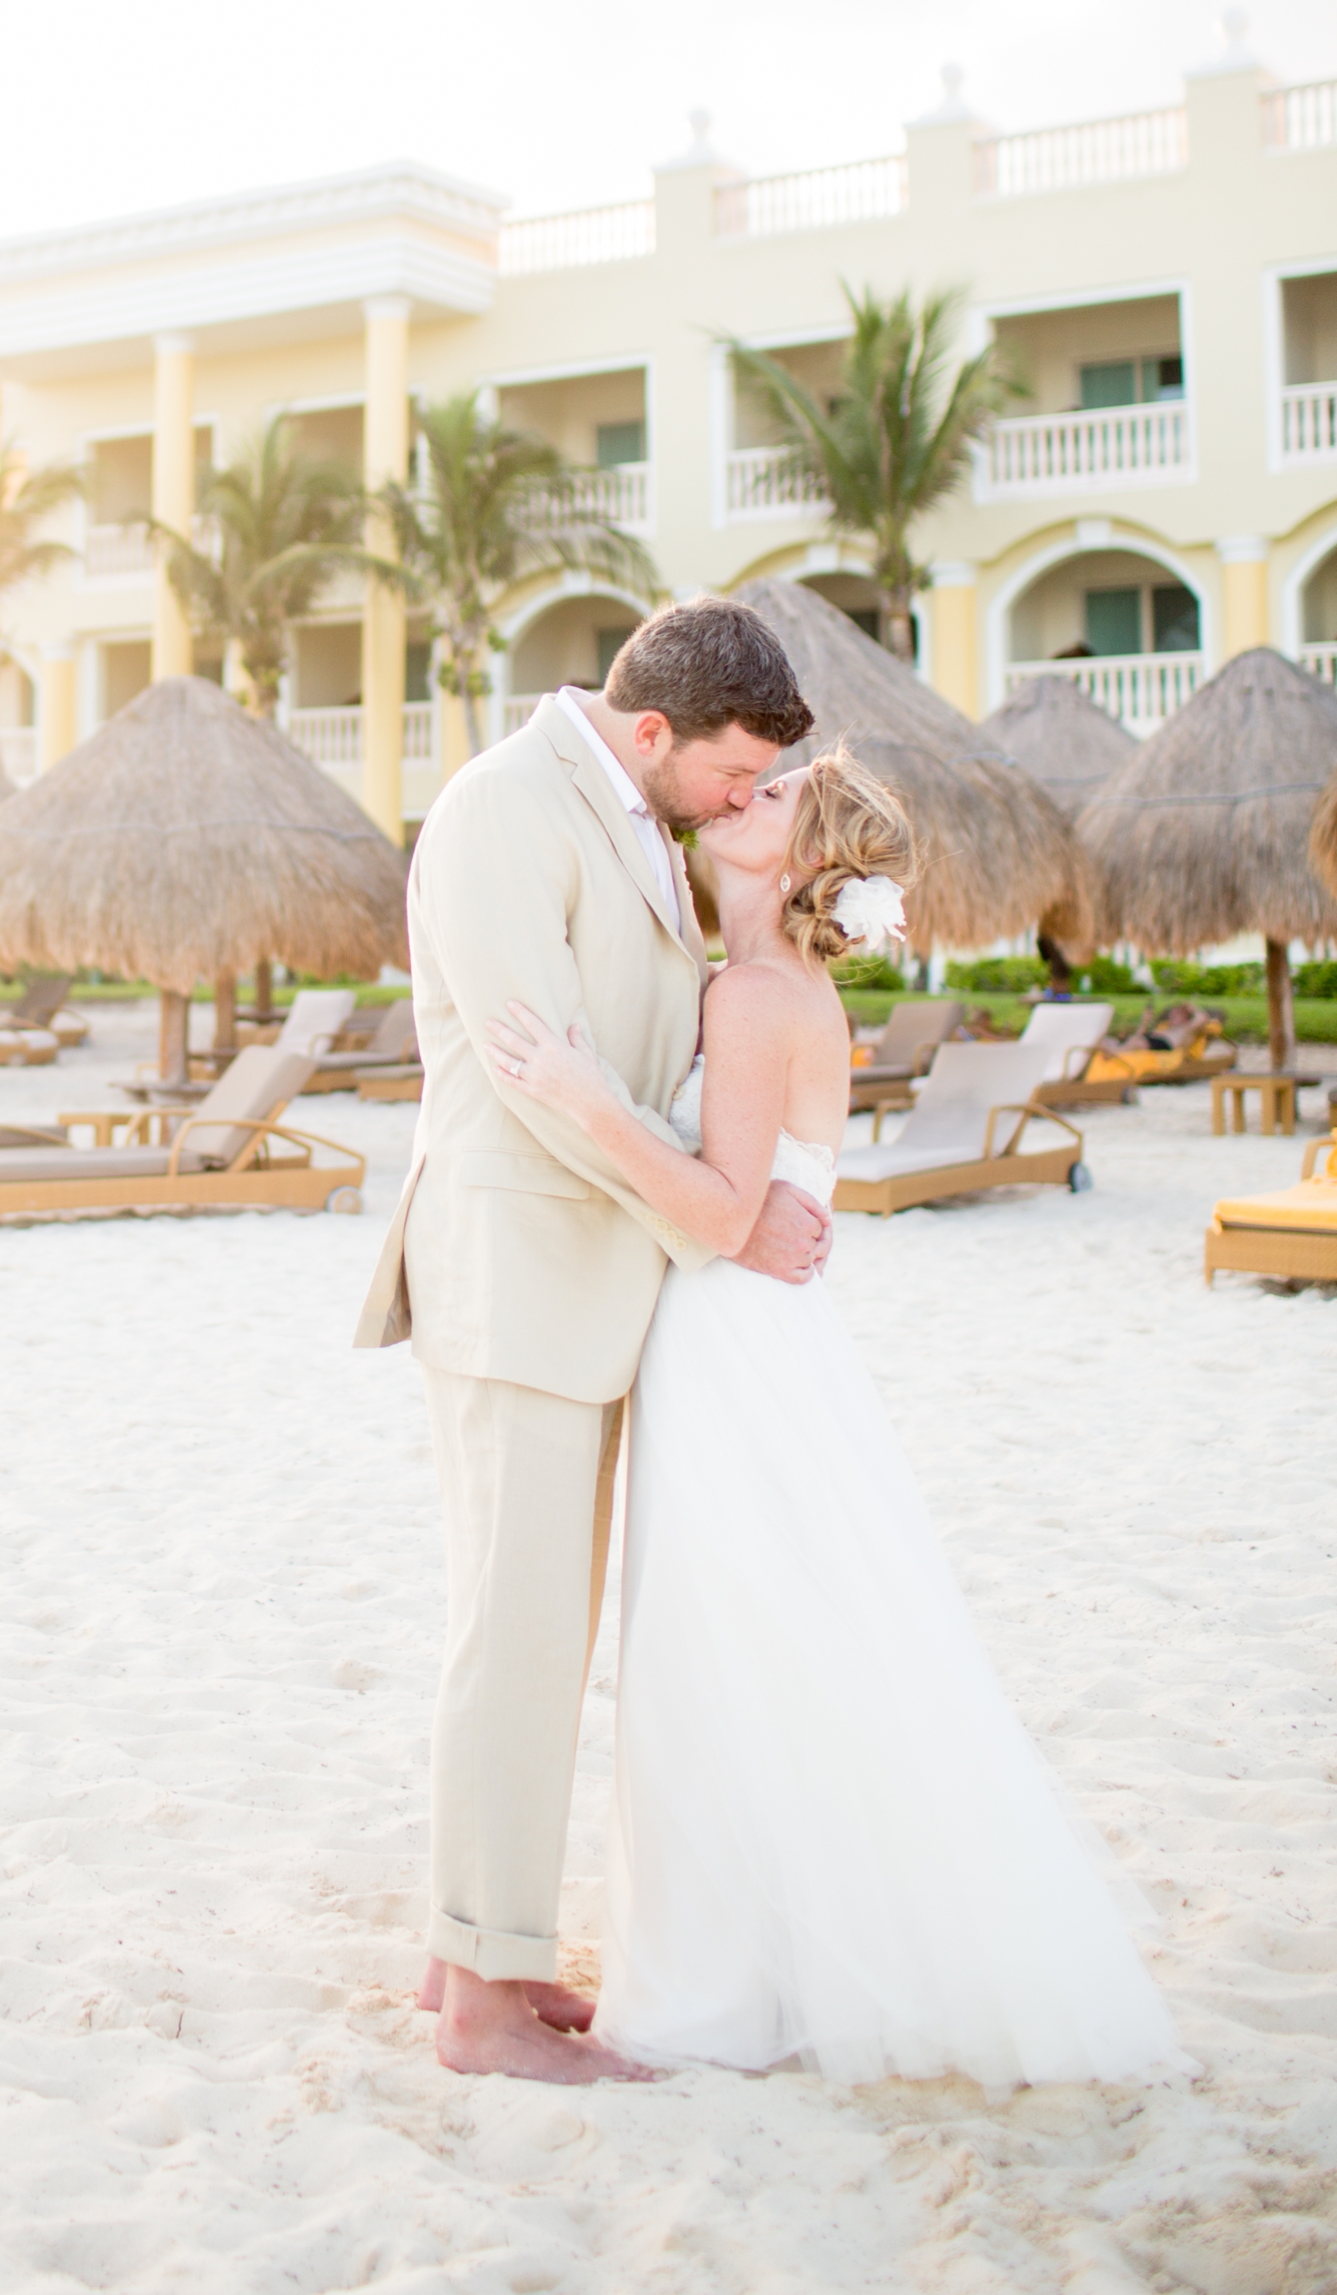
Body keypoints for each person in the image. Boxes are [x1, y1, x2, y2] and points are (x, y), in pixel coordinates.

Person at [488, 747, 1181, 2087]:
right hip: (755, 1344)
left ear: (803, 863)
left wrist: (581, 1097)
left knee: (723, 1650)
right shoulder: (742, 982)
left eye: (770, 796)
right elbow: (749, 1207)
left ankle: (719, 1990)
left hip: (739, 1357)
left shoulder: (755, 994)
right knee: (761, 1647)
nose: (739, 794)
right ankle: (758, 1960)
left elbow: (716, 1210)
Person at [354, 601, 826, 2083]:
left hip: (589, 1287)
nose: (743, 802)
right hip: (516, 1277)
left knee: (538, 1636)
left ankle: (470, 1946)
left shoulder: (626, 813)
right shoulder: (504, 808)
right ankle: (484, 2007)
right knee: (515, 1633)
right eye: (734, 773)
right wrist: (724, 1219)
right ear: (649, 732)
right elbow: (535, 1074)